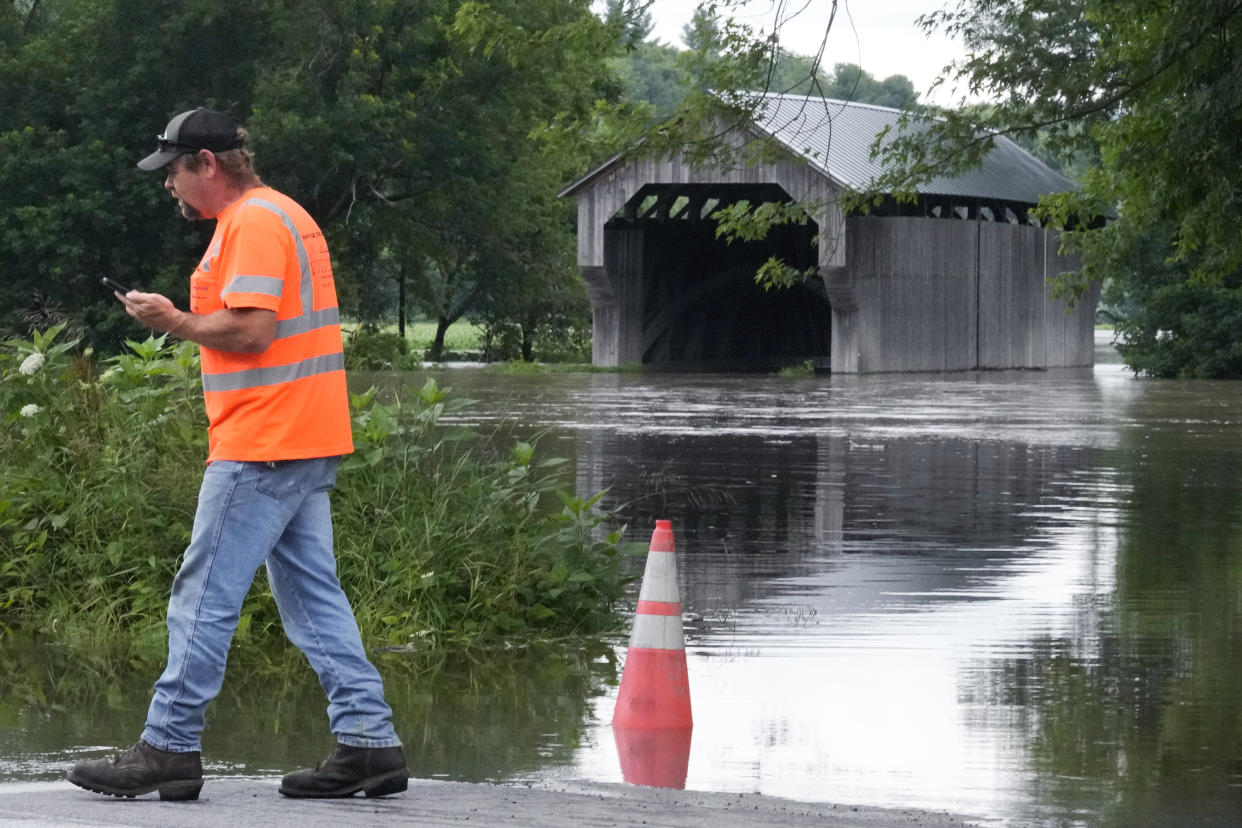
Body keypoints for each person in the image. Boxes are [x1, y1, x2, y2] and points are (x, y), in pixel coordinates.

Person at [67, 107, 407, 801]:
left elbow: (252, 331)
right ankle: (371, 742)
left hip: (265, 441)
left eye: (174, 173)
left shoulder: (251, 222)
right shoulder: (285, 213)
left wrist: (176, 322)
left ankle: (168, 745)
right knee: (313, 599)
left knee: (202, 598)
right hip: (305, 435)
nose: (169, 187)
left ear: (208, 165)